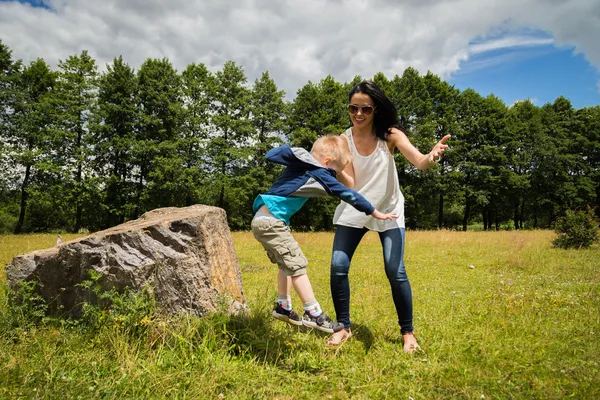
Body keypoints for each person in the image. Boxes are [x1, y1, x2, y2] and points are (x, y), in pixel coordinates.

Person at [327, 80, 451, 351]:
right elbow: (350, 182)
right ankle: (343, 327)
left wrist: (432, 156)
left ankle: (408, 333)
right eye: (353, 107)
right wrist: (335, 168)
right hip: (357, 207)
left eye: (366, 109)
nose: (359, 114)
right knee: (338, 266)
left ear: (376, 109)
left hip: (390, 208)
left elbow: (420, 162)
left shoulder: (390, 135)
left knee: (395, 270)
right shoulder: (343, 139)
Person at [251, 134, 398, 334]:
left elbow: (271, 154)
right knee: (297, 264)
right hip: (272, 223)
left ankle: (283, 306)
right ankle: (313, 313)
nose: (333, 176)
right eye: (335, 171)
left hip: (262, 220)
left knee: (286, 264)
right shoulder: (319, 171)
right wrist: (374, 211)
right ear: (327, 162)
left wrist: (295, 152)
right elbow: (349, 195)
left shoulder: (299, 166)